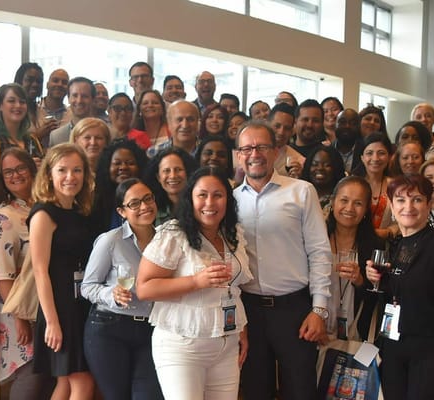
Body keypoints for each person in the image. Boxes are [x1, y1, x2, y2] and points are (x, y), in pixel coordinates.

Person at [233, 122, 332, 400]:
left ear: (276, 152)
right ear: (239, 155)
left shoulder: (302, 191)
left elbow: (320, 251)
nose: (255, 153)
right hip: (249, 311)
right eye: (248, 148)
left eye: (262, 146)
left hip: (295, 310)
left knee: (301, 390)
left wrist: (319, 309)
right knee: (254, 389)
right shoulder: (230, 200)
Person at [138, 166, 252, 400]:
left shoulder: (233, 233)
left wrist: (241, 329)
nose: (210, 202)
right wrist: (196, 281)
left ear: (227, 200)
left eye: (218, 195)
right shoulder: (173, 233)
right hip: (182, 345)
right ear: (191, 198)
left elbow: (234, 288)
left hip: (226, 343)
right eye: (202, 195)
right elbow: (144, 287)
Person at [365, 174, 434, 399]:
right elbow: (400, 292)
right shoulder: (395, 247)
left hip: (430, 351)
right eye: (401, 200)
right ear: (392, 207)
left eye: (416, 200)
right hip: (394, 348)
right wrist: (377, 280)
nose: (408, 207)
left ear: (428, 205)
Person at [82, 178, 163, 400]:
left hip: (152, 329)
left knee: (149, 396)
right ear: (122, 211)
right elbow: (87, 287)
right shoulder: (111, 240)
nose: (144, 206)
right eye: (134, 203)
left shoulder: (166, 240)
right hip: (109, 328)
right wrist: (111, 294)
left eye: (148, 199)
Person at [0, 148, 53, 399]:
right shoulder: (4, 218)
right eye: (8, 172)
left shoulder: (46, 205)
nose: (15, 176)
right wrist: (20, 319)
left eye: (20, 168)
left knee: (47, 381)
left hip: (47, 307)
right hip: (19, 312)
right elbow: (1, 274)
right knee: (29, 377)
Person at [29, 144, 97, 399]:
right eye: (63, 170)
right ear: (49, 174)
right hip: (59, 309)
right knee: (83, 384)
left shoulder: (80, 213)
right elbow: (39, 271)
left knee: (66, 384)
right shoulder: (44, 214)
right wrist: (52, 322)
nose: (71, 177)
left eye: (77, 170)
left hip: (79, 305)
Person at [325, 176, 384, 341]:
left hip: (356, 331)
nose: (349, 208)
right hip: (315, 326)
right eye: (344, 200)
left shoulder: (375, 245)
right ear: (333, 202)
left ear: (366, 210)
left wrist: (360, 280)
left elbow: (379, 294)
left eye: (358, 203)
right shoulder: (316, 237)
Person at [0, 83, 44, 186]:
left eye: (22, 102)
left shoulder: (32, 139)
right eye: (11, 101)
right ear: (0, 106)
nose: (18, 106)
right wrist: (23, 169)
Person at [92, 139, 149, 233]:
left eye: (130, 163)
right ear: (107, 167)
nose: (123, 167)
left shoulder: (149, 201)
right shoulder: (98, 203)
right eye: (117, 163)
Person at [144, 148, 197, 226]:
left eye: (178, 169)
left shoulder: (198, 205)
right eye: (166, 171)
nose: (173, 176)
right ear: (158, 177)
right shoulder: (151, 209)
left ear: (187, 173)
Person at [358, 132, 396, 239]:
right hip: (354, 244)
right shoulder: (352, 185)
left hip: (385, 247)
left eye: (381, 153)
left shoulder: (395, 186)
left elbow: (403, 219)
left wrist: (389, 232)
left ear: (389, 157)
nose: (375, 158)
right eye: (369, 153)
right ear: (362, 157)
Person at [14, 62, 56, 143]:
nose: (35, 84)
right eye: (30, 80)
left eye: (39, 81)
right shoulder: (12, 111)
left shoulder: (40, 110)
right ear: (20, 81)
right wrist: (37, 136)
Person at [300, 145, 347, 214]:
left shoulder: (342, 198)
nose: (320, 168)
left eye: (327, 165)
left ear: (336, 168)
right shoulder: (300, 194)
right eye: (315, 164)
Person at [50, 76, 96, 146]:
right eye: (75, 95)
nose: (79, 100)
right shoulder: (56, 137)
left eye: (84, 96)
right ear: (68, 98)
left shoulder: (105, 133)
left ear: (93, 99)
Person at [267, 103, 304, 179]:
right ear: (267, 124)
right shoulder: (250, 152)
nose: (281, 132)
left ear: (292, 131)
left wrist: (299, 179)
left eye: (287, 128)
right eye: (277, 126)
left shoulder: (299, 161)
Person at [131, 90, 170, 157]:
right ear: (139, 109)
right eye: (145, 103)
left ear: (162, 108)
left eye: (155, 103)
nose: (150, 105)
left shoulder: (171, 130)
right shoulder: (132, 134)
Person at [38, 69, 71, 146]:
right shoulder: (33, 111)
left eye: (64, 82)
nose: (59, 84)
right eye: (55, 81)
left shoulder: (72, 114)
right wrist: (38, 135)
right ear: (47, 85)